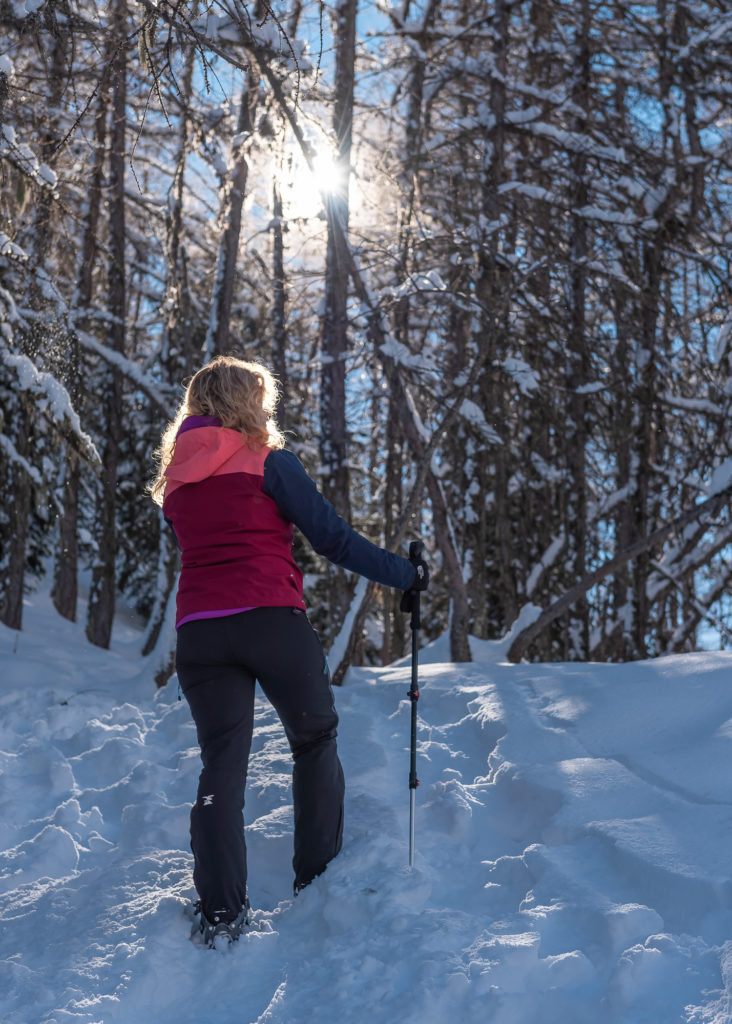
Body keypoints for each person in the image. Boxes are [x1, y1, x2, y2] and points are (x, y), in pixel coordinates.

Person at [149, 354, 428, 947]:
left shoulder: (175, 479)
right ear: (247, 403)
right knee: (315, 738)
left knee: (222, 763)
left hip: (200, 631)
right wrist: (405, 575)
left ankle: (222, 913)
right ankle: (317, 880)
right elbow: (332, 539)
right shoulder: (269, 463)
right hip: (271, 618)